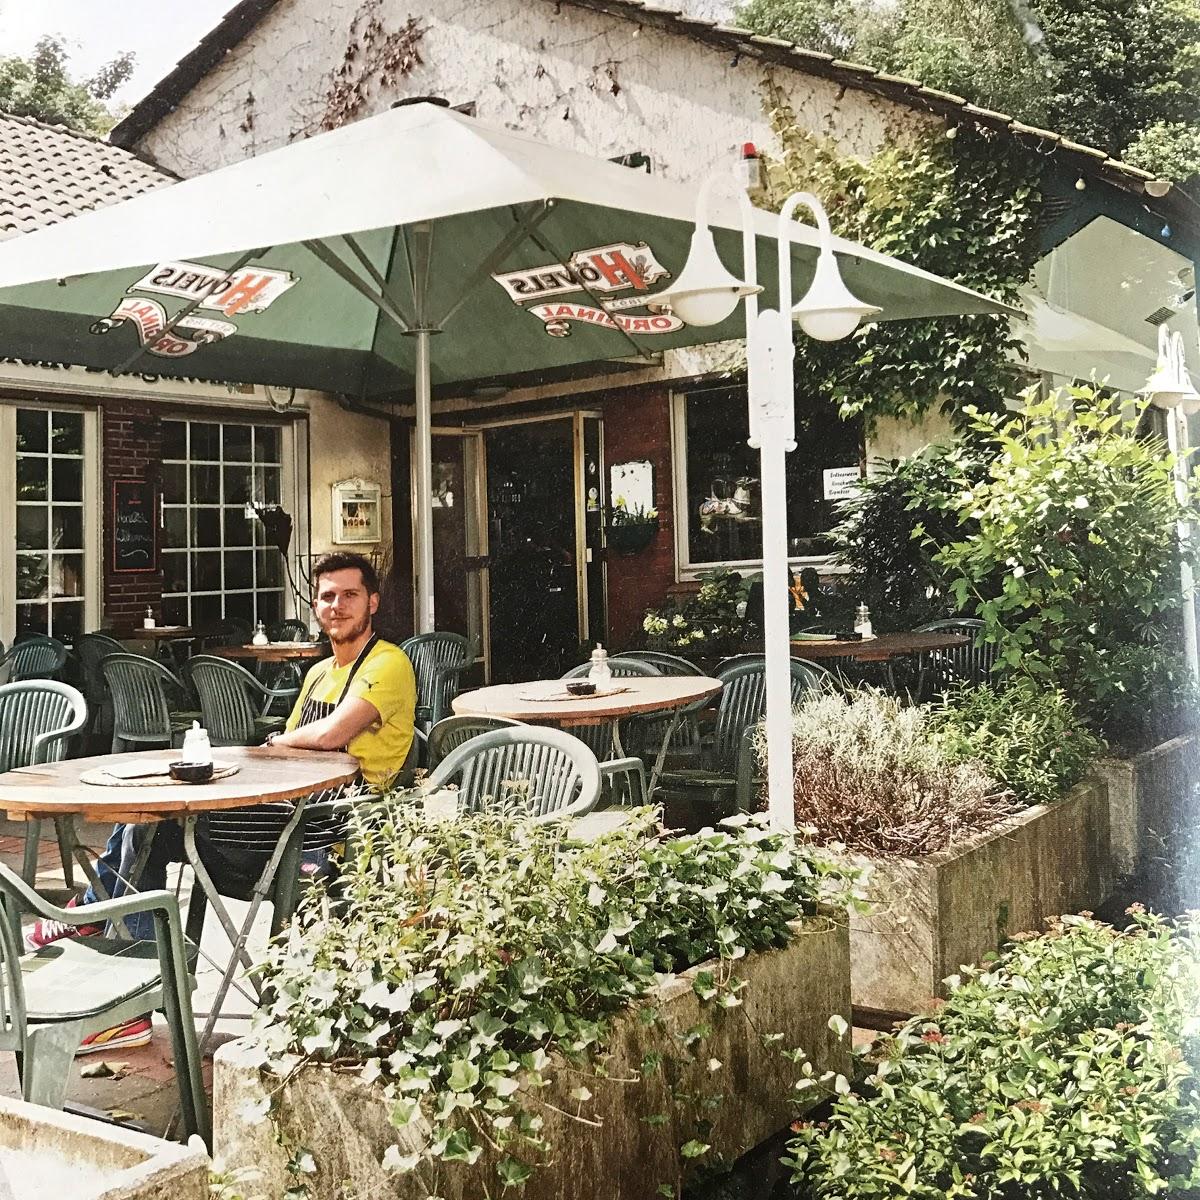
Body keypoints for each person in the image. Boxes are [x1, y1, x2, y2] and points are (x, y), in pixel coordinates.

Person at [27, 551, 417, 1052]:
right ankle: (126, 964)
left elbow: (329, 733)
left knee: (156, 825)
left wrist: (277, 743)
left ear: (373, 602)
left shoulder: (389, 662)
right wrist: (274, 748)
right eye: (327, 596)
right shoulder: (320, 673)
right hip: (285, 814)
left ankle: (110, 941)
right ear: (315, 605)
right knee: (152, 820)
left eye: (349, 595)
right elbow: (292, 743)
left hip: (331, 830)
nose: (336, 606)